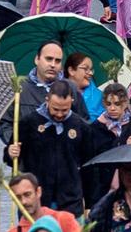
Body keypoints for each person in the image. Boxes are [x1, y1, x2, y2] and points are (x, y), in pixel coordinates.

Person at [10, 80, 92, 216]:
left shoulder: (81, 126)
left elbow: (88, 166)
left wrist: (89, 202)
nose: (59, 114)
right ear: (47, 100)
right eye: (55, 109)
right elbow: (11, 158)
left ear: (71, 101)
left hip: (70, 201)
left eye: (65, 110)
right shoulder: (28, 122)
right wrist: (10, 152)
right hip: (37, 199)